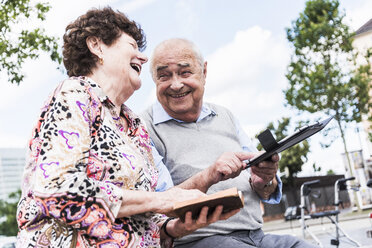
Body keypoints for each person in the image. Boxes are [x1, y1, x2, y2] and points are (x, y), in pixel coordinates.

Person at [16, 9, 239, 248]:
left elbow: (143, 218)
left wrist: (173, 228)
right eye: (132, 45)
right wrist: (162, 200)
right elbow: (57, 190)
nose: (143, 58)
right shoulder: (75, 94)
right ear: (97, 46)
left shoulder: (135, 125)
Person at [141, 38, 318, 248]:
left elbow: (266, 189)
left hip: (256, 235)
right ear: (154, 80)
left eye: (185, 72)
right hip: (198, 241)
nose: (176, 84)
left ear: (204, 72)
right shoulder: (144, 127)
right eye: (164, 76)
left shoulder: (225, 116)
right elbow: (158, 202)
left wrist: (264, 181)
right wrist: (210, 174)